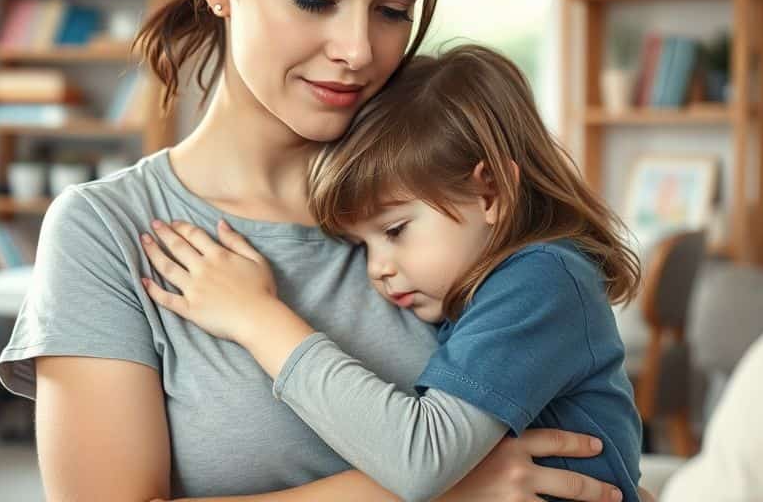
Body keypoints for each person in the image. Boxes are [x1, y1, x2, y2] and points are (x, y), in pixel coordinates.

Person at [0, 0, 628, 500]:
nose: (358, 48)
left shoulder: (446, 197)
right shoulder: (109, 232)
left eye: (393, 9)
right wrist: (438, 491)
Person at [140, 45, 644, 501]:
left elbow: (420, 460)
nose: (378, 269)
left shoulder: (542, 281)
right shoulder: (480, 294)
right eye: (362, 245)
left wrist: (258, 320)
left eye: (397, 230)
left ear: (491, 193)